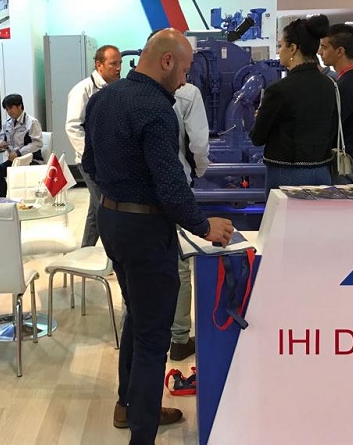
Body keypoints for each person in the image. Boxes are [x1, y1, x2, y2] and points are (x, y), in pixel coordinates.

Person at [83, 27, 234, 444]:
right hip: (147, 232)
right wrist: (204, 226)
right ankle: (142, 435)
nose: (185, 81)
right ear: (167, 61)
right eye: (184, 70)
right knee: (154, 338)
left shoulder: (103, 98)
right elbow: (171, 187)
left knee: (137, 316)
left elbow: (89, 165)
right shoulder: (156, 108)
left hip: (112, 223)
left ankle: (128, 407)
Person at [250, 15, 337, 198]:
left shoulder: (278, 90)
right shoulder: (330, 85)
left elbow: (258, 137)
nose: (279, 50)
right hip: (323, 171)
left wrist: (260, 118)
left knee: (285, 218)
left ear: (293, 48)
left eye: (281, 45)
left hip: (287, 173)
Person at [65, 45, 122, 248]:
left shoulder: (116, 88)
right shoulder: (82, 90)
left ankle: (86, 250)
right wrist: (91, 156)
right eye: (113, 64)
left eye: (120, 63)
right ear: (99, 65)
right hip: (91, 163)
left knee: (96, 208)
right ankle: (114, 256)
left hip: (110, 160)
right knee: (106, 209)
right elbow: (73, 126)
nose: (118, 68)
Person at [169, 81, 210, 361]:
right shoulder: (187, 94)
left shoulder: (119, 93)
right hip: (175, 187)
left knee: (139, 267)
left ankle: (137, 334)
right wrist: (200, 169)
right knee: (179, 264)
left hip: (131, 199)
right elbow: (198, 142)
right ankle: (179, 338)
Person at [319, 23, 353, 184]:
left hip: (346, 163)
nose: (320, 52)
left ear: (339, 51)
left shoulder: (347, 84)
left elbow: (332, 124)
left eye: (324, 47)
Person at [0, 93, 43, 197]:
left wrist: (19, 152)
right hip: (14, 161)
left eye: (11, 108)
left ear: (20, 106)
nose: (9, 111)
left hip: (31, 160)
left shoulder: (32, 122)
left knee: (15, 174)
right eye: (7, 109)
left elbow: (37, 143)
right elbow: (2, 137)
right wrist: (2, 143)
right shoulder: (7, 123)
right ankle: (6, 198)